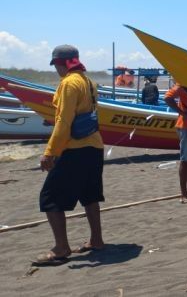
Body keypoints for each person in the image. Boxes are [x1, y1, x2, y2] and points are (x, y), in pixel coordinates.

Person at [35, 45, 105, 266]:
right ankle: (96, 240)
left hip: (75, 150)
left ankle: (61, 248)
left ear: (62, 63)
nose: (56, 69)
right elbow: (82, 114)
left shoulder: (68, 83)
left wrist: (49, 153)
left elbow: (65, 122)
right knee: (90, 195)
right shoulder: (88, 81)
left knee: (49, 198)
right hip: (94, 147)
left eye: (55, 64)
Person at [164, 83, 187, 202]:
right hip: (186, 127)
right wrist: (182, 112)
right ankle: (184, 193)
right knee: (185, 161)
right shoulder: (182, 84)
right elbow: (167, 98)